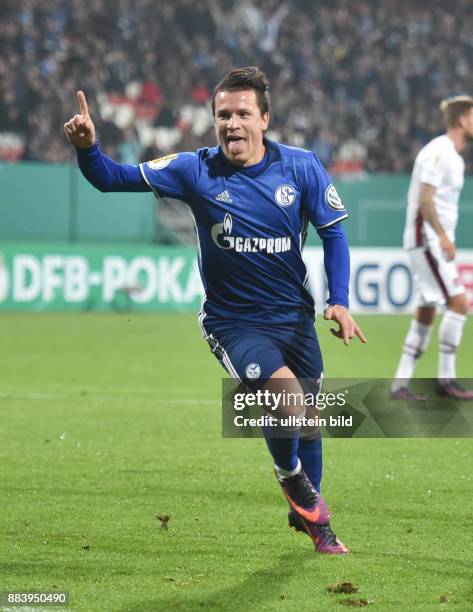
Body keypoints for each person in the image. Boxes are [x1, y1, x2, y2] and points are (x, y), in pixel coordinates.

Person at [64, 67, 366, 554]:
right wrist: (87, 149)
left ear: (264, 118)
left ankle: (304, 514)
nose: (232, 124)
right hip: (233, 323)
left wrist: (340, 301)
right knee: (288, 403)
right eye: (223, 115)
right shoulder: (193, 169)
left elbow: (334, 233)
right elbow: (110, 178)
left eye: (243, 114)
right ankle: (296, 488)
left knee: (309, 421)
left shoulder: (302, 167)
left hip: (294, 319)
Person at [391, 96, 473, 401]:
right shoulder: (440, 152)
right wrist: (442, 236)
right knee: (459, 303)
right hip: (426, 238)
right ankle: (446, 380)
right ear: (462, 120)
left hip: (428, 239)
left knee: (426, 310)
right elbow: (426, 198)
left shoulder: (451, 155)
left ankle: (400, 384)